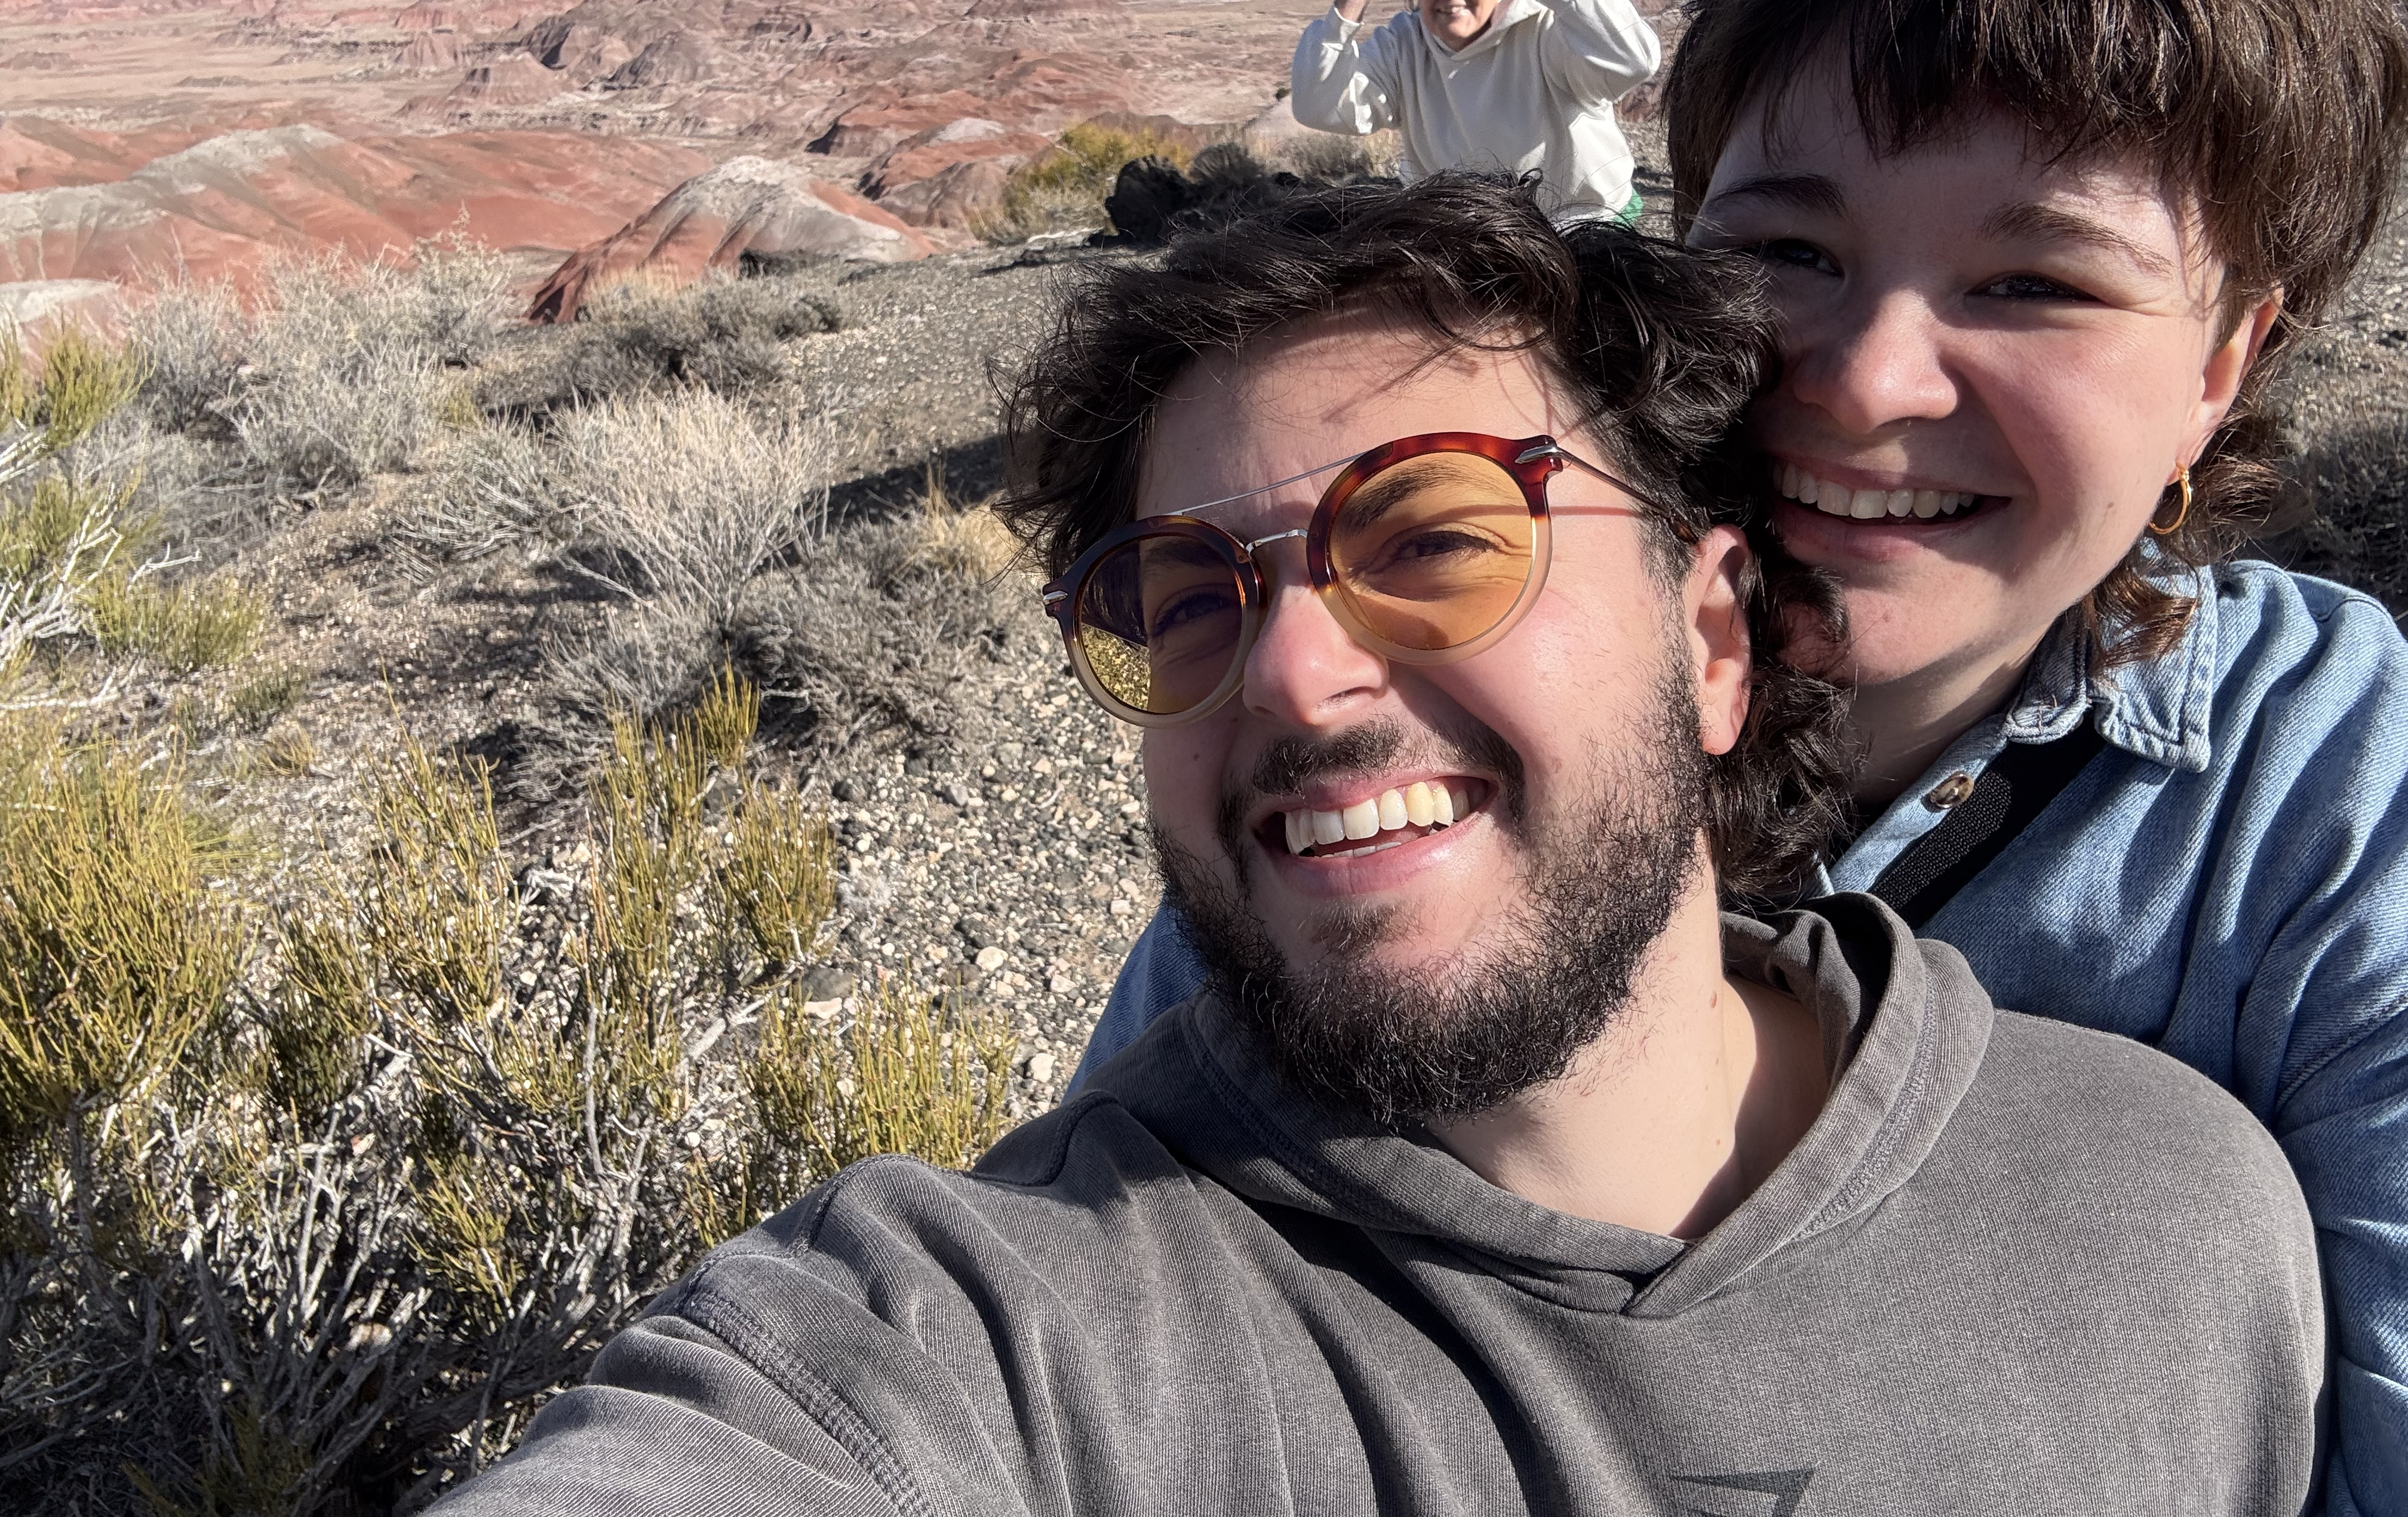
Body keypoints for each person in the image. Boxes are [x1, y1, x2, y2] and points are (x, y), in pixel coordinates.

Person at [429, 177, 2326, 1515]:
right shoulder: (1016, 1336)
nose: (1299, 675)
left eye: (1435, 539)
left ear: (1716, 637)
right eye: (1188, 596)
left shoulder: (2181, 1222)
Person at [1079, 0, 2408, 1515]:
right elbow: (1090, 1249)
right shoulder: (1430, 696)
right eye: (1789, 249)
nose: (1865, 382)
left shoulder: (2319, 780)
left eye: (2036, 283)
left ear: (2225, 363)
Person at [1288, 0, 1660, 221]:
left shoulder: (1548, 29)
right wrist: (1352, 0)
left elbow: (1634, 60)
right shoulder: (1405, 44)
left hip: (1581, 229)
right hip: (1466, 242)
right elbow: (1320, 106)